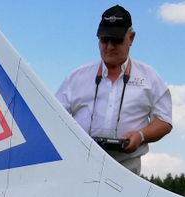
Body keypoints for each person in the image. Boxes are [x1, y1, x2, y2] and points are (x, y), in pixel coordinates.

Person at [55, 5, 173, 174]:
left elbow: (164, 121)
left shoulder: (150, 77)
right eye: (104, 40)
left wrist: (140, 136)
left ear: (131, 38)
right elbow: (54, 116)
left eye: (116, 40)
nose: (109, 47)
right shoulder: (76, 77)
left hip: (126, 170)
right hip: (79, 166)